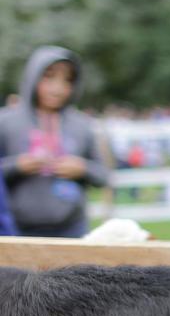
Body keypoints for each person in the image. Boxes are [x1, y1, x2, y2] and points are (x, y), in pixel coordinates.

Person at [0, 46, 110, 237]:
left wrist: (82, 168)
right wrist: (16, 166)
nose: (58, 88)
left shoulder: (82, 125)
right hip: (17, 230)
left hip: (71, 229)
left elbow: (103, 175)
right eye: (49, 77)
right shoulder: (6, 122)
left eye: (67, 80)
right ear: (33, 76)